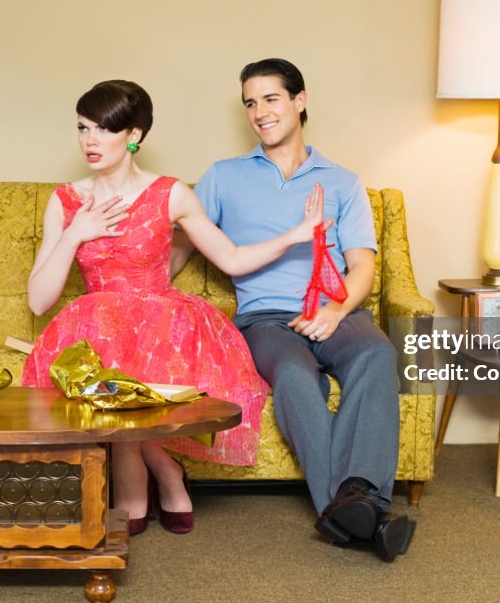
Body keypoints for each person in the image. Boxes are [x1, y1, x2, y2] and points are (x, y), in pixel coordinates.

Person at [21, 79, 327, 536]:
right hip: (97, 324)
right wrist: (74, 233)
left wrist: (296, 235)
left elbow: (232, 258)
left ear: (134, 135)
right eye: (83, 129)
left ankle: (140, 488)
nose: (90, 141)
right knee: (110, 360)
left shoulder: (171, 193)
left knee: (128, 370)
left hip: (159, 322)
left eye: (104, 129)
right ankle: (162, 473)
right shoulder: (65, 200)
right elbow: (39, 300)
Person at [178, 58, 416, 562]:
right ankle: (367, 513)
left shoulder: (344, 182)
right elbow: (179, 246)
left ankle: (348, 510)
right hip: (266, 320)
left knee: (377, 355)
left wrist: (334, 311)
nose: (259, 112)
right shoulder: (224, 177)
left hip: (338, 311)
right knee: (293, 373)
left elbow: (363, 268)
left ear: (299, 101)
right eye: (250, 102)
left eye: (271, 98)